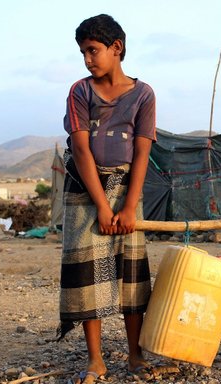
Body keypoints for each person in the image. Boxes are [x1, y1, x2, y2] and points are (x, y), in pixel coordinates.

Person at [57, 14, 159, 383]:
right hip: (86, 191)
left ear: (117, 48)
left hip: (127, 187)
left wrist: (129, 206)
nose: (87, 59)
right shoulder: (80, 92)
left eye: (93, 50)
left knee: (131, 273)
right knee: (88, 276)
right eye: (83, 52)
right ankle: (96, 360)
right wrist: (101, 205)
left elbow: (143, 153)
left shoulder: (143, 94)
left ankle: (134, 354)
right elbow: (82, 151)